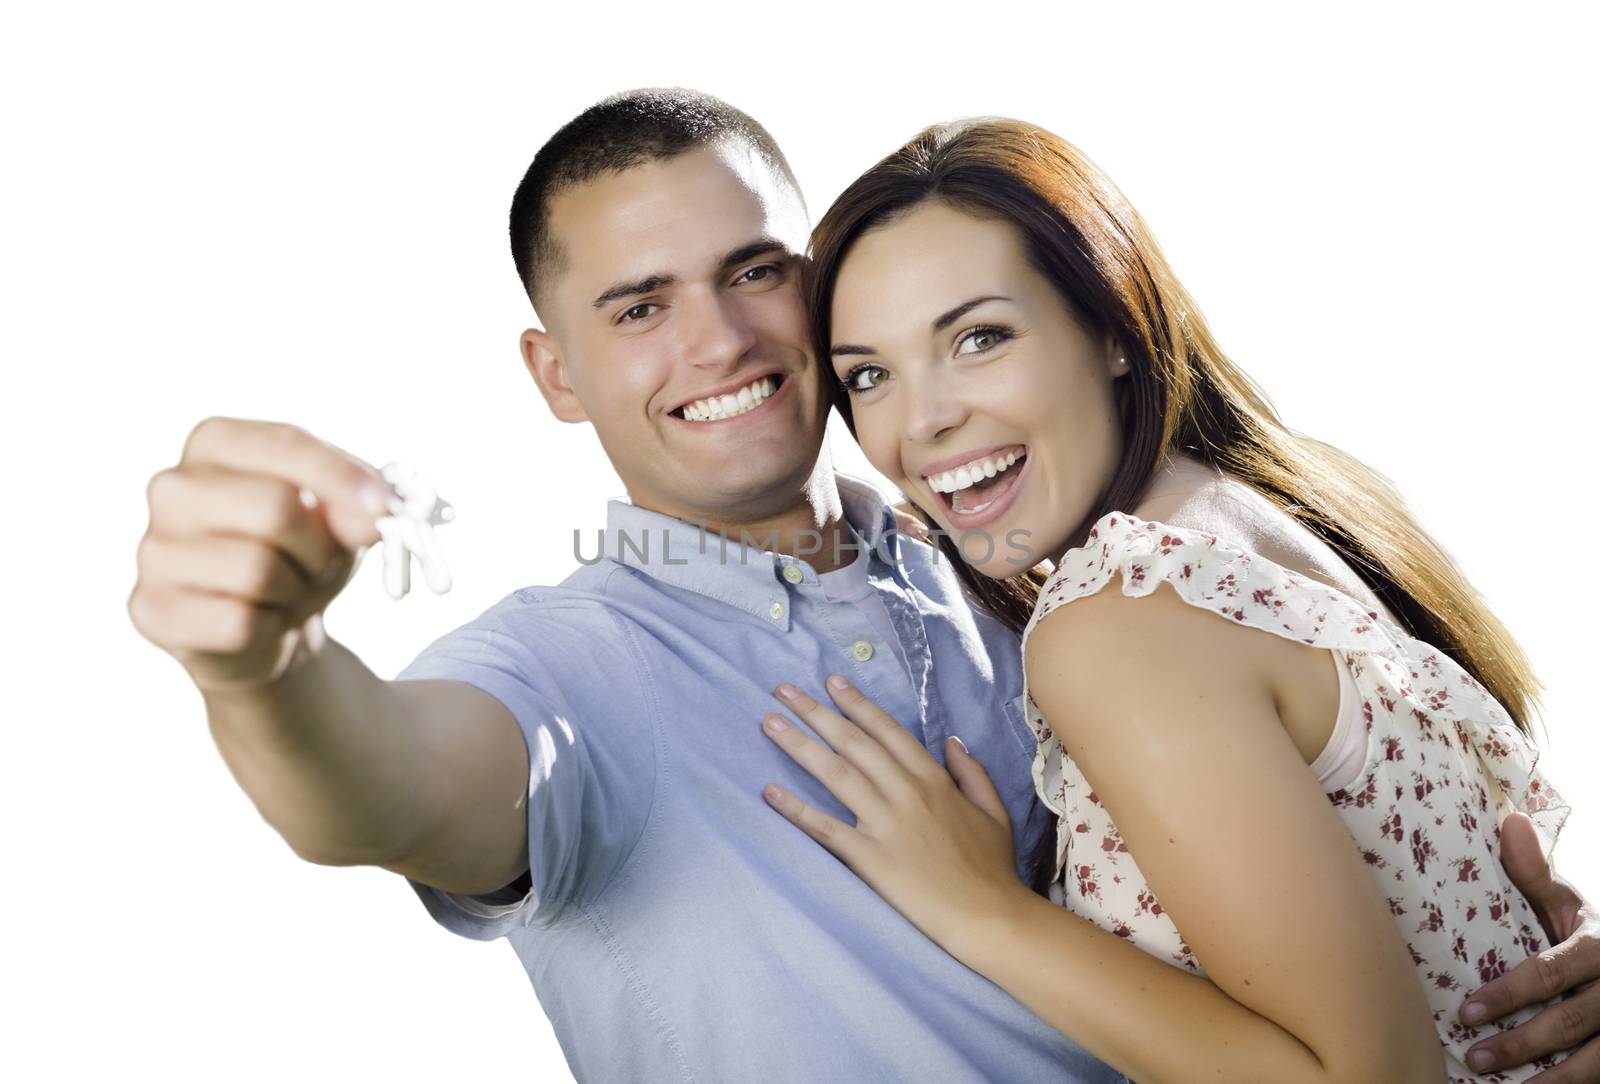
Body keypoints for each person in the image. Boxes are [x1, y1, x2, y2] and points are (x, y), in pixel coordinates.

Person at [124, 90, 1598, 1082]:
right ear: (554, 374)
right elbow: (381, 785)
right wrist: (265, 672)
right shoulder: (565, 664)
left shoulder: (1023, 551)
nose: (718, 341)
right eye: (639, 307)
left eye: (754, 272)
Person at [761, 116, 1597, 1081]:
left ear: (1113, 328)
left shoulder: (1120, 617)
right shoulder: (1265, 514)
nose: (925, 420)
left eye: (980, 337)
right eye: (871, 375)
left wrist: (982, 910)